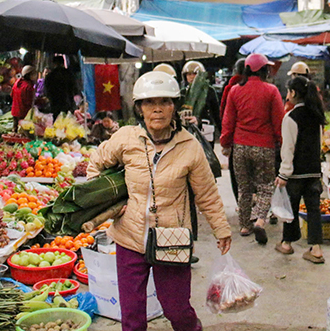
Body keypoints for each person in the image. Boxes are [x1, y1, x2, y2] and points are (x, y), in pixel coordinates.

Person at [86, 71, 231, 331]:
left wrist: (221, 228)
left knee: (177, 309)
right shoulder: (126, 138)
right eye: (150, 103)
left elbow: (207, 193)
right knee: (131, 316)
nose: (158, 109)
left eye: (165, 102)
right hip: (129, 237)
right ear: (139, 108)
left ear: (174, 106)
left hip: (172, 238)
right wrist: (107, 204)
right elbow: (97, 163)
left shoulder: (189, 146)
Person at [220, 53, 285, 245]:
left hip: (240, 146)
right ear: (264, 70)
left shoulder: (235, 91)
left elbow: (228, 120)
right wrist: (280, 143)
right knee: (265, 187)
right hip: (264, 147)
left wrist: (225, 143)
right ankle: (260, 220)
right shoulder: (271, 91)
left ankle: (244, 226)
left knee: (244, 188)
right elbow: (278, 122)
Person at [274, 76, 326, 264]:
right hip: (313, 172)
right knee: (314, 210)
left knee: (291, 209)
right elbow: (318, 146)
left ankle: (287, 243)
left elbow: (288, 148)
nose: (287, 95)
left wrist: (283, 174)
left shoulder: (291, 117)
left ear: (293, 93)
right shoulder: (317, 116)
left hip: (295, 174)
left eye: (288, 92)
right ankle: (316, 249)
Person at [219, 58, 246, 202]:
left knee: (236, 175)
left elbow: (225, 115)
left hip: (236, 139)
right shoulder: (262, 86)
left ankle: (241, 204)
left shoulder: (230, 87)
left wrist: (225, 141)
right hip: (258, 140)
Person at [181, 61, 221, 144]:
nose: (192, 77)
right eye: (189, 74)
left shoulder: (209, 91)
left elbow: (216, 114)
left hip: (205, 131)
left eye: (195, 74)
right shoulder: (183, 92)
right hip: (186, 133)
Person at [11, 65, 37, 132]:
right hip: (24, 113)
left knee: (15, 131)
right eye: (34, 74)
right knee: (23, 132)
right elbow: (30, 101)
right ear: (29, 75)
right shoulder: (28, 87)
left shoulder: (17, 83)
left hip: (15, 112)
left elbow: (12, 95)